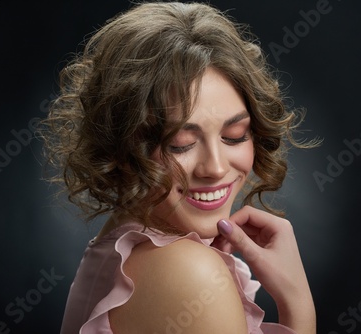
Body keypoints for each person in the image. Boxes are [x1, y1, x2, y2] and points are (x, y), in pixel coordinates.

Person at [40, 1, 318, 333]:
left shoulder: (125, 250)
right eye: (180, 144)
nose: (215, 168)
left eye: (234, 136)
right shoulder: (187, 272)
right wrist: (297, 301)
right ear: (123, 146)